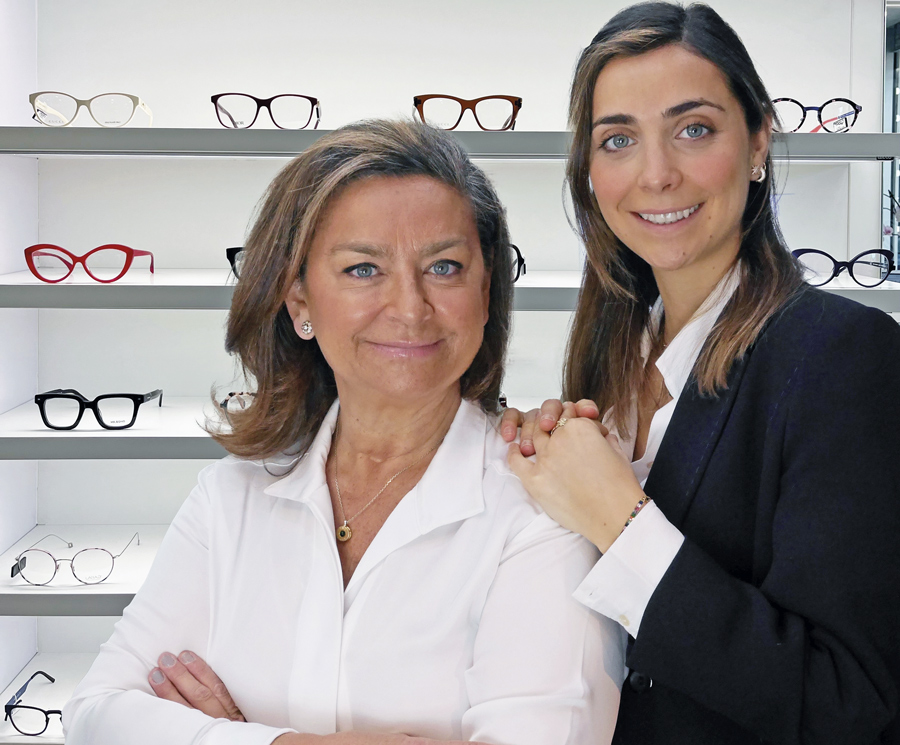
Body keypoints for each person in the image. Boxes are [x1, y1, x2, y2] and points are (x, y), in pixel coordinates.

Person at [62, 119, 625, 745]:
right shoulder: (229, 498)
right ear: (298, 300)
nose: (410, 308)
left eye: (444, 267)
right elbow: (98, 715)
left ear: (485, 292)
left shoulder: (540, 512)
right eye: (363, 269)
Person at [500, 3, 900, 743]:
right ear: (590, 171)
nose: (656, 174)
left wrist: (620, 523)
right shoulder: (606, 363)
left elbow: (853, 706)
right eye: (618, 139)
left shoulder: (844, 357)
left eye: (694, 129)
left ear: (757, 143)